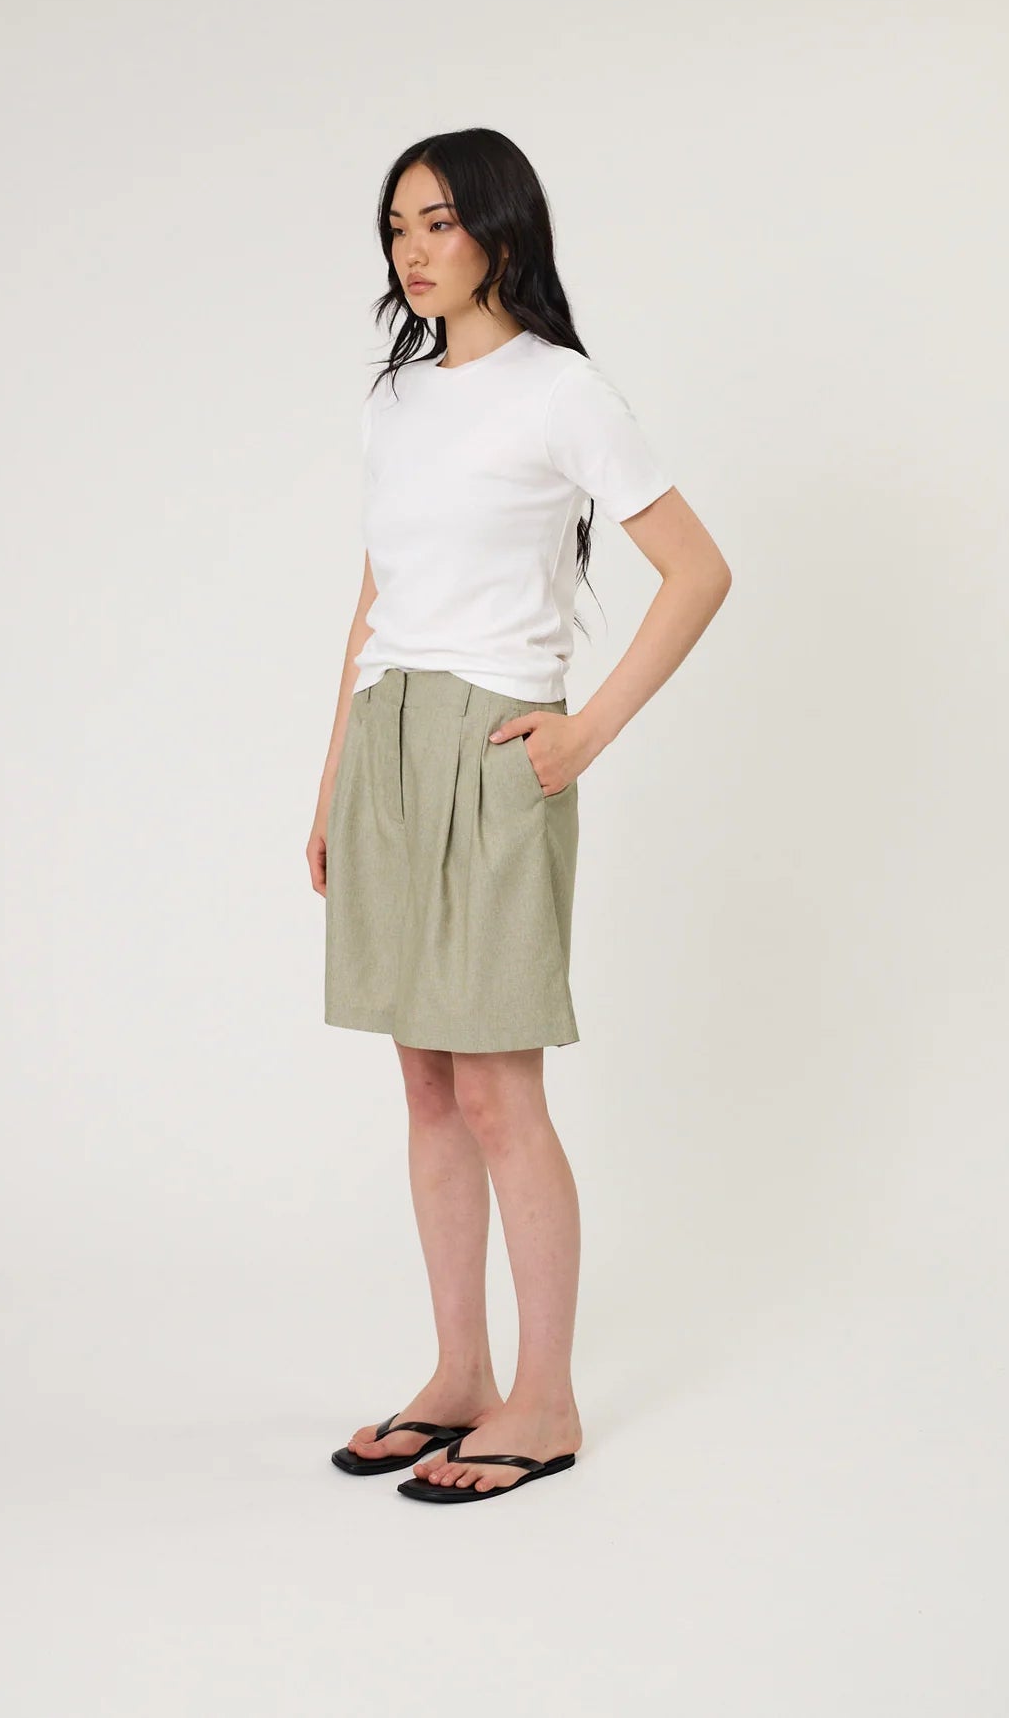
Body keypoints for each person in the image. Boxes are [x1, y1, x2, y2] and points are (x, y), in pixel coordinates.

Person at [308, 128, 732, 1505]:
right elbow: (378, 596)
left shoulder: (563, 390)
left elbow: (697, 570)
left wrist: (581, 735)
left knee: (498, 1087)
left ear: (500, 229)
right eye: (397, 228)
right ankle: (460, 1374)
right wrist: (332, 779)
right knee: (426, 1079)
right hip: (389, 736)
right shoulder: (394, 402)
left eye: (438, 221)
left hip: (498, 743)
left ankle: (544, 1399)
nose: (413, 250)